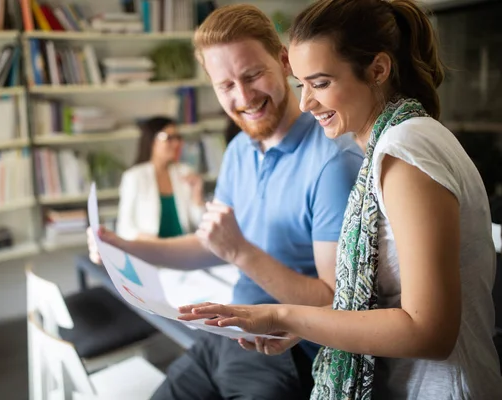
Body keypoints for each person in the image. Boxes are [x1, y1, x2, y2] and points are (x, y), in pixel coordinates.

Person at [178, 0, 502, 399]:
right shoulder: (391, 144)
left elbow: (429, 332)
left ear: (378, 70)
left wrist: (281, 313)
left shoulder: (406, 151)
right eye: (302, 85)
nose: (306, 103)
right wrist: (301, 326)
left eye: (321, 83)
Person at [87, 4, 363, 399]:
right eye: (226, 85)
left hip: (289, 350)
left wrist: (242, 253)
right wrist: (122, 245)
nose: (244, 96)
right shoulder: (239, 151)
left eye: (253, 75)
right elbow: (211, 245)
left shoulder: (333, 162)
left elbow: (333, 303)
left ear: (284, 61)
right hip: (227, 334)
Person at [114, 116, 205, 240]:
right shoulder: (134, 177)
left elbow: (201, 224)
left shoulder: (185, 172)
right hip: (149, 252)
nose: (176, 143)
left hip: (183, 250)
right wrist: (150, 241)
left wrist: (197, 193)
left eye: (178, 138)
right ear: (152, 141)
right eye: (169, 138)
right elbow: (124, 228)